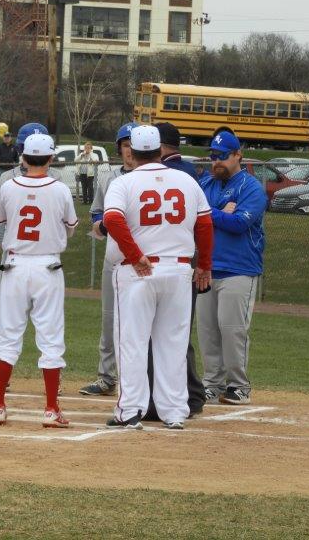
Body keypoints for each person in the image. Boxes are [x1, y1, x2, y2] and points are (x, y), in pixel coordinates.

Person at [102, 125, 213, 430]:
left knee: (132, 342)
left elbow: (111, 218)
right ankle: (175, 412)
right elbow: (205, 224)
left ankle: (130, 411)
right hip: (178, 269)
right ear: (160, 150)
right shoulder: (186, 180)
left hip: (139, 270)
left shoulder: (125, 181)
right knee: (173, 344)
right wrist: (204, 264)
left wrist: (135, 253)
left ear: (132, 151)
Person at [0, 132, 78, 428]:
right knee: (50, 336)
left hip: (14, 264)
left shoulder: (9, 186)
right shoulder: (61, 188)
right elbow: (71, 226)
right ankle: (51, 408)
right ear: (51, 158)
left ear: (23, 158)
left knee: (7, 335)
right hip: (47, 265)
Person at [0, 122, 62, 394]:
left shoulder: (52, 179)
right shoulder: (8, 178)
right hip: (21, 255)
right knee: (17, 322)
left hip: (31, 256)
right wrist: (10, 244)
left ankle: (45, 383)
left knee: (18, 324)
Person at [197, 131, 266, 406]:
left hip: (239, 268)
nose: (217, 162)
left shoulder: (251, 188)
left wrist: (210, 214)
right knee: (207, 331)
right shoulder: (206, 183)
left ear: (238, 155)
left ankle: (238, 385)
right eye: (213, 157)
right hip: (206, 267)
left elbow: (239, 223)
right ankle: (212, 384)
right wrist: (220, 213)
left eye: (223, 156)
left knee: (232, 329)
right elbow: (193, 215)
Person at [144, 121, 205, 419]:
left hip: (171, 258)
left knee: (166, 333)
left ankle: (177, 398)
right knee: (175, 331)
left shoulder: (174, 173)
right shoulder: (188, 172)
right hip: (182, 259)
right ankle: (190, 395)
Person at [79, 122, 137, 397]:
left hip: (146, 261)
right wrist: (101, 224)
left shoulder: (152, 178)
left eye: (134, 145)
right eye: (126, 145)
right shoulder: (108, 178)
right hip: (114, 259)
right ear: (119, 148)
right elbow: (95, 214)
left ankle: (139, 378)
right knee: (108, 318)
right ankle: (106, 377)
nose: (130, 150)